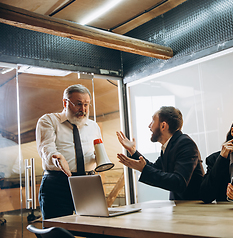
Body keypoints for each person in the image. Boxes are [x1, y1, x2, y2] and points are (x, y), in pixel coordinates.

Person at [36, 84, 102, 219]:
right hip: (58, 183)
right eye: (78, 104)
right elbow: (46, 148)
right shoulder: (49, 121)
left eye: (86, 105)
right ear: (65, 102)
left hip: (88, 182)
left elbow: (98, 151)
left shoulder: (93, 126)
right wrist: (57, 158)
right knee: (58, 229)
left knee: (94, 227)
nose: (83, 109)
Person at [116, 106, 204, 200]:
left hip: (195, 208)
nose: (149, 126)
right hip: (182, 206)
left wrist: (144, 169)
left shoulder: (185, 144)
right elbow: (154, 168)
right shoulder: (169, 146)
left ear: (163, 126)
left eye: (153, 121)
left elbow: (179, 182)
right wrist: (133, 151)